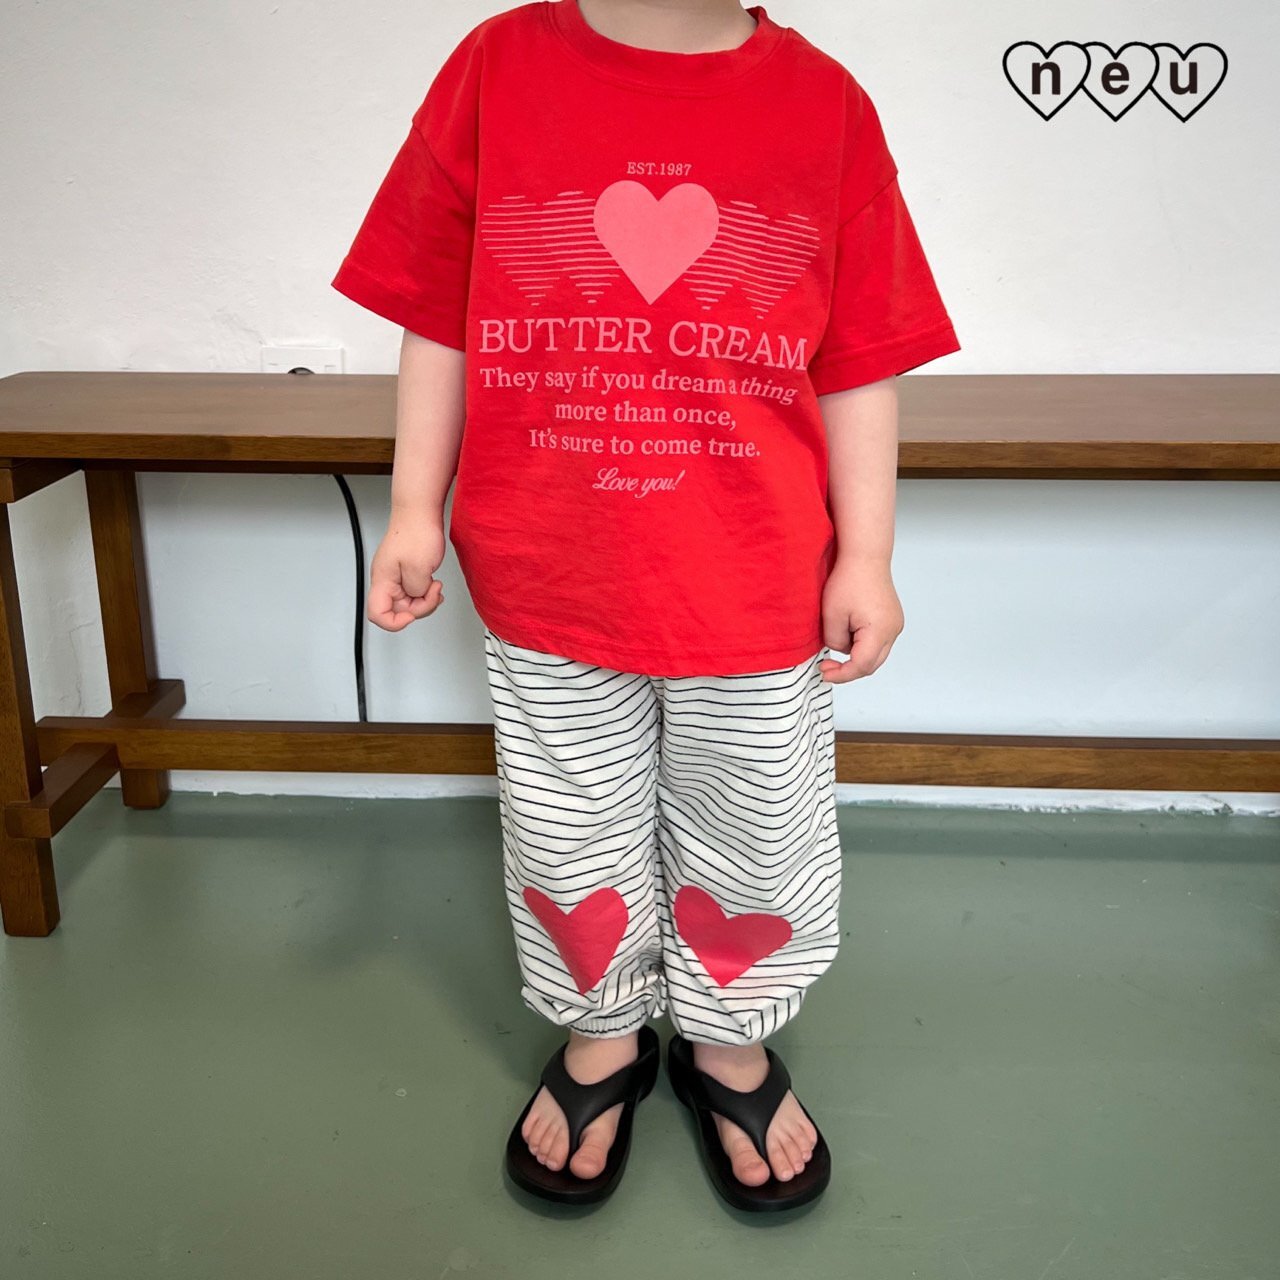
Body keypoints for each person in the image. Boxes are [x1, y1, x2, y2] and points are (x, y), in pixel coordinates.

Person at [332, 0, 960, 1212]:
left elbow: (860, 360)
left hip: (754, 576)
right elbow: (434, 312)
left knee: (756, 824)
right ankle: (601, 1030)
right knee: (566, 821)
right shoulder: (496, 68)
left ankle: (728, 1039)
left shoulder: (824, 104)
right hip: (548, 565)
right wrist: (413, 506)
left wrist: (868, 554)